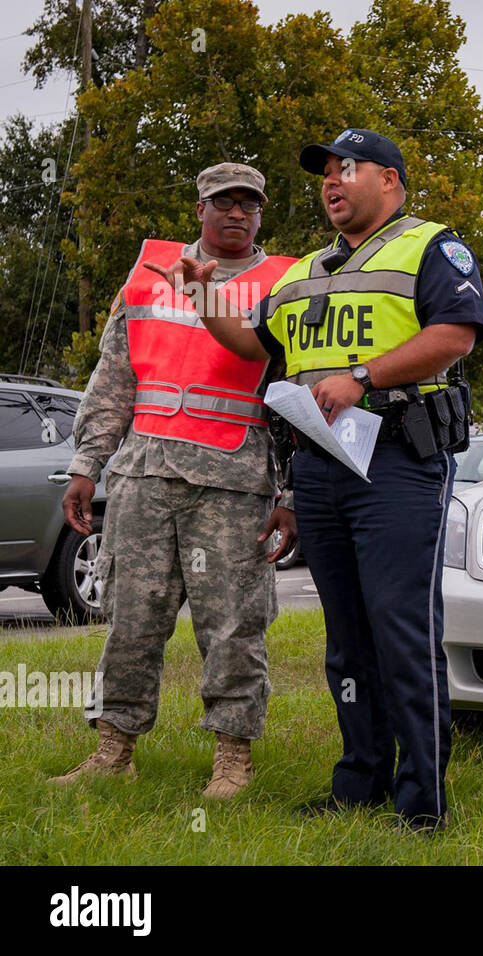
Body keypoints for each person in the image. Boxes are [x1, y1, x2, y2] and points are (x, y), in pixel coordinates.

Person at [151, 130, 483, 830]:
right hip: (321, 470)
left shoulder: (431, 246)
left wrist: (361, 378)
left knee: (402, 631)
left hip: (399, 461)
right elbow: (254, 344)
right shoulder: (302, 270)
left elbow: (455, 334)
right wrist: (202, 293)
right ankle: (358, 781)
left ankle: (423, 803)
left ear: (390, 181)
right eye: (326, 173)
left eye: (349, 169)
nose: (332, 182)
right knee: (347, 641)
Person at [52, 163, 299, 799]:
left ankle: (232, 759)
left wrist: (292, 492)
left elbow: (299, 395)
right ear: (200, 208)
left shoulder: (287, 284)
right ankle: (113, 750)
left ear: (261, 213)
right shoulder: (147, 275)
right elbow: (114, 379)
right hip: (143, 477)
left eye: (250, 204)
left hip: (235, 484)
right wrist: (87, 465)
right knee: (130, 620)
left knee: (234, 627)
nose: (237, 214)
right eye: (224, 202)